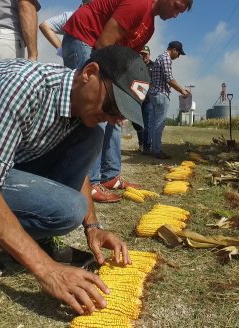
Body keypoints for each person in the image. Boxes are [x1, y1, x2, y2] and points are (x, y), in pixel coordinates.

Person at [0, 45, 150, 315]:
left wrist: (93, 227)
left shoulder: (78, 104)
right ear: (89, 72)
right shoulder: (21, 88)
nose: (114, 119)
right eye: (113, 106)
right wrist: (46, 270)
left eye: (121, 115)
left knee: (91, 138)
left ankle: (36, 234)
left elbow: (76, 170)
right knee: (69, 210)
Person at [61, 0, 194, 202]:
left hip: (102, 50)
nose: (175, 14)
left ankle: (110, 175)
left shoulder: (149, 27)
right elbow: (104, 44)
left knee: (114, 115)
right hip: (85, 39)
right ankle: (90, 181)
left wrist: (123, 103)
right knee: (98, 110)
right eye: (176, 6)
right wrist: (105, 94)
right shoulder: (140, 4)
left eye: (180, 13)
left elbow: (126, 63)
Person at [148, 41, 191, 159]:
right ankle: (157, 151)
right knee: (159, 124)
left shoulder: (159, 57)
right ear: (174, 50)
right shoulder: (166, 58)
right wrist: (182, 91)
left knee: (152, 123)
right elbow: (169, 79)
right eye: (179, 54)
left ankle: (151, 148)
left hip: (154, 94)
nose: (178, 57)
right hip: (161, 94)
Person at [134, 45, 155, 153]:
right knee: (136, 122)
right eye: (141, 54)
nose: (143, 56)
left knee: (147, 124)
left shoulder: (154, 66)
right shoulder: (136, 65)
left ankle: (146, 147)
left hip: (148, 100)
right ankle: (141, 142)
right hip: (137, 99)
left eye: (145, 54)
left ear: (149, 55)